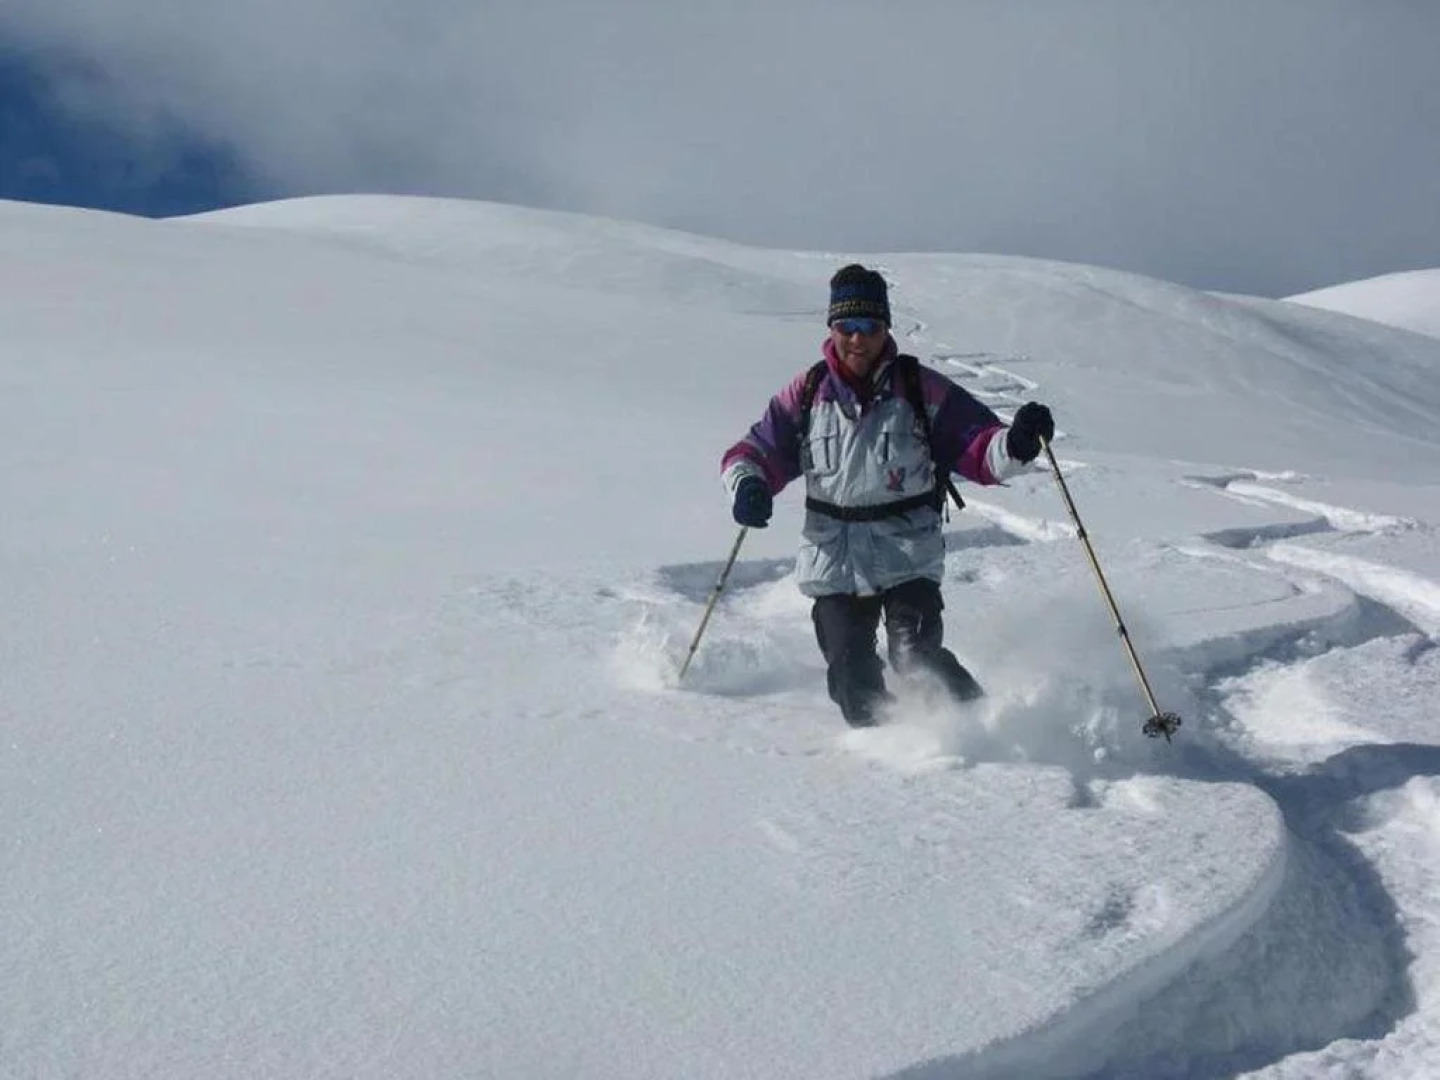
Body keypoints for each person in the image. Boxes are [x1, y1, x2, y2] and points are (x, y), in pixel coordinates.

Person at [719, 264, 1055, 727]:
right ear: (832, 328)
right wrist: (749, 483)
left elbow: (980, 448)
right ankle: (887, 763)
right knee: (852, 680)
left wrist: (1016, 443)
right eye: (847, 327)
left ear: (886, 329)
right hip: (833, 562)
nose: (858, 340)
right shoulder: (807, 394)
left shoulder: (922, 389)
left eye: (870, 327)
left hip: (907, 557)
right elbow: (755, 450)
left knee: (914, 657)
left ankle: (986, 726)